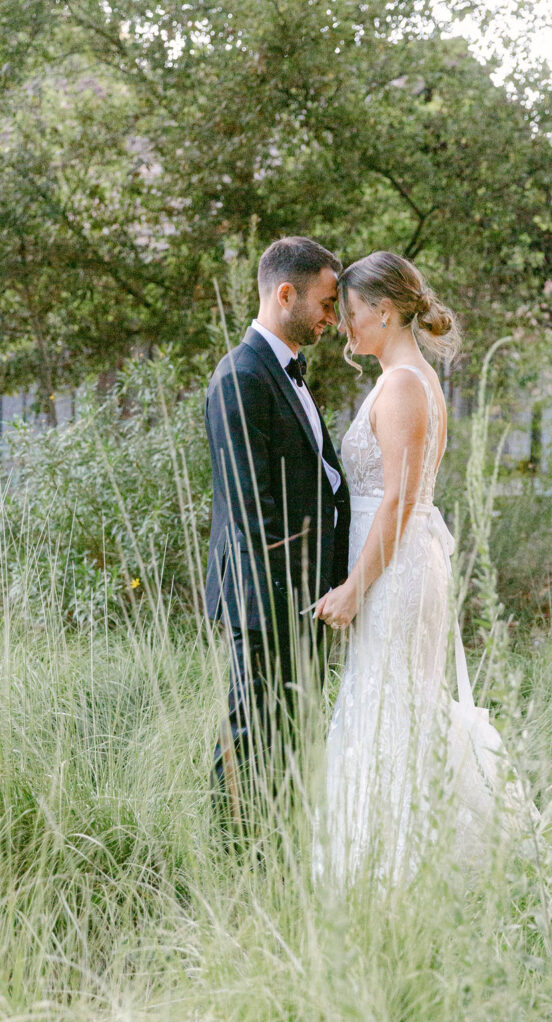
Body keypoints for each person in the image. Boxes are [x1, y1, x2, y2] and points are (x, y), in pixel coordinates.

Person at [314, 251, 534, 886]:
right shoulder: (399, 378)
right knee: (389, 705)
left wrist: (356, 586)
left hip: (395, 570)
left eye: (351, 314)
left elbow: (400, 500)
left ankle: (403, 872)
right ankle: (384, 861)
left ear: (383, 311)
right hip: (395, 565)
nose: (345, 327)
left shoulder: (407, 383)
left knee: (394, 709)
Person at [205, 236, 350, 827]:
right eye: (326, 302)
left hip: (306, 597)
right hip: (267, 600)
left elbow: (318, 479)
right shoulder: (242, 376)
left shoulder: (287, 372)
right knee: (249, 728)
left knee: (289, 732)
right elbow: (252, 514)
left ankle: (280, 844)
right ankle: (231, 851)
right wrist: (298, 602)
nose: (332, 317)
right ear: (285, 293)